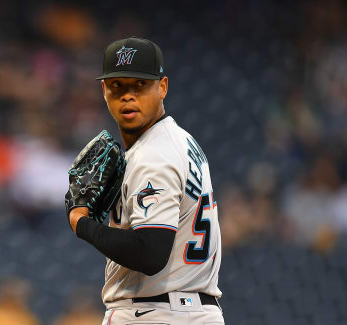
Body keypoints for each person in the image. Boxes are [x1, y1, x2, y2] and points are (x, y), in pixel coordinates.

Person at [67, 37, 224, 324]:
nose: (128, 96)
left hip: (152, 313)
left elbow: (150, 253)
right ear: (104, 91)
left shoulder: (153, 154)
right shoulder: (182, 140)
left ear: (162, 87)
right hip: (195, 312)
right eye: (118, 86)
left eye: (140, 85)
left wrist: (81, 222)